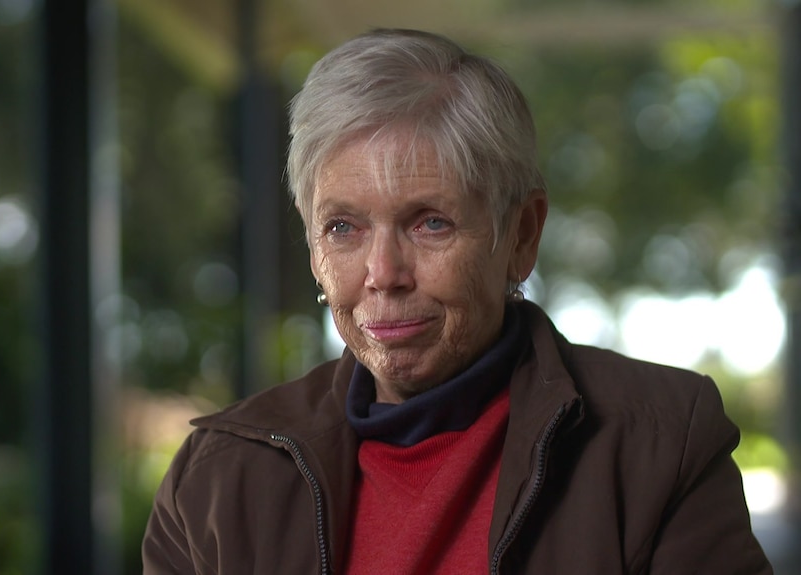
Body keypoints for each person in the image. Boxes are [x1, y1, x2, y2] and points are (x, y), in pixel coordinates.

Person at [142, 28, 773, 574]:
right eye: (343, 228)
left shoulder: (657, 445)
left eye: (430, 223)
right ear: (313, 249)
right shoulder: (216, 480)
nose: (383, 274)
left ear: (520, 235)